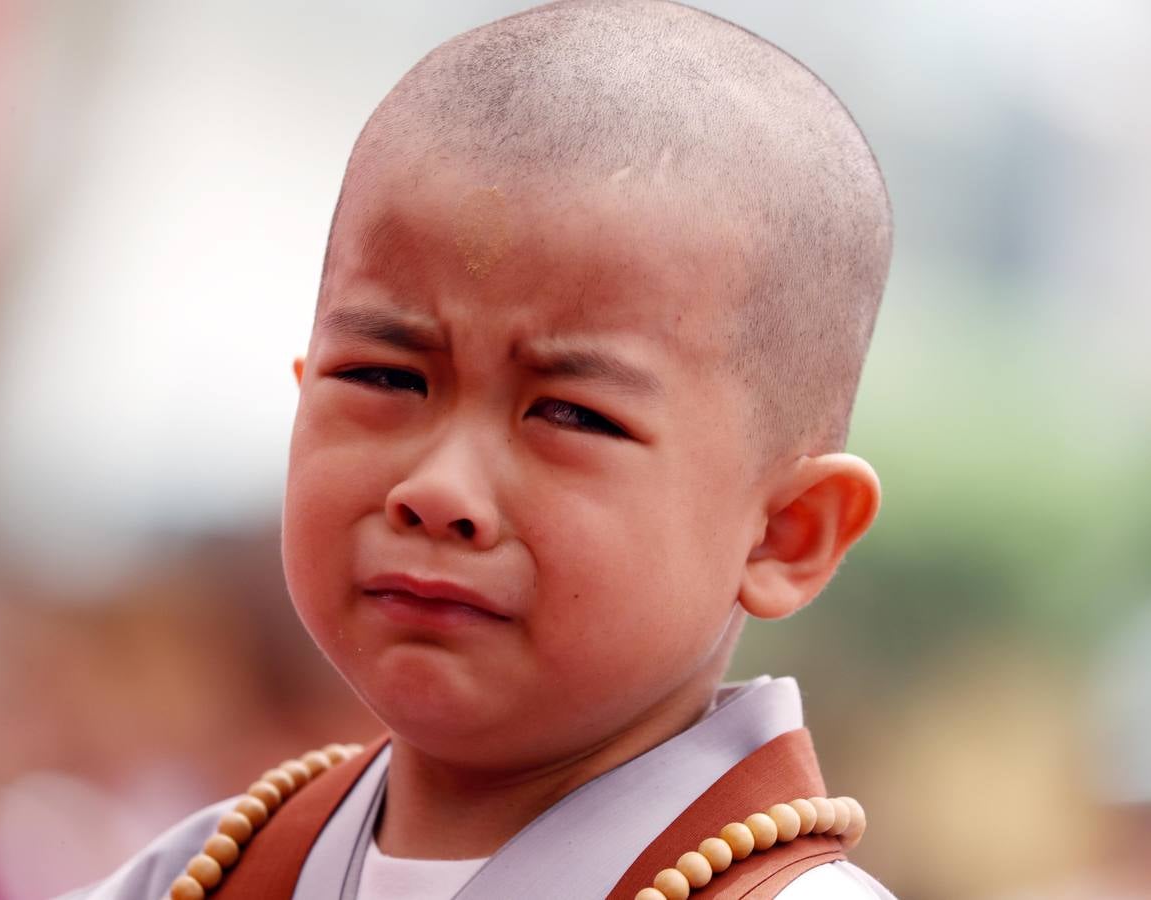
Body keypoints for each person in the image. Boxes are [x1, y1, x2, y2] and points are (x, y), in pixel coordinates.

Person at [66, 0, 896, 897]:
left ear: (786, 533)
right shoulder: (196, 875)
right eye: (386, 378)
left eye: (572, 415)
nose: (439, 489)